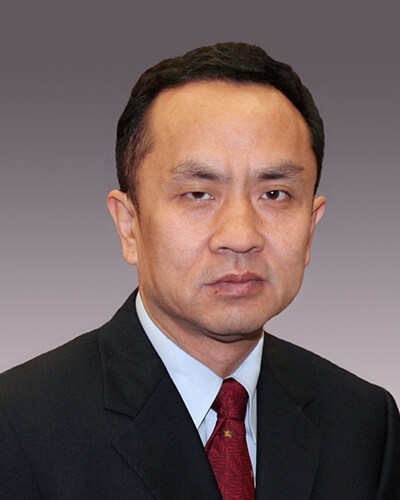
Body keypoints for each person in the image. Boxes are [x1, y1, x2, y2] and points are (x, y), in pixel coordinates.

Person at [0, 42, 399, 499]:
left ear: (311, 225)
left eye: (274, 194)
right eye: (198, 194)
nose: (240, 235)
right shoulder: (18, 425)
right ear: (129, 225)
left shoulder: (364, 423)